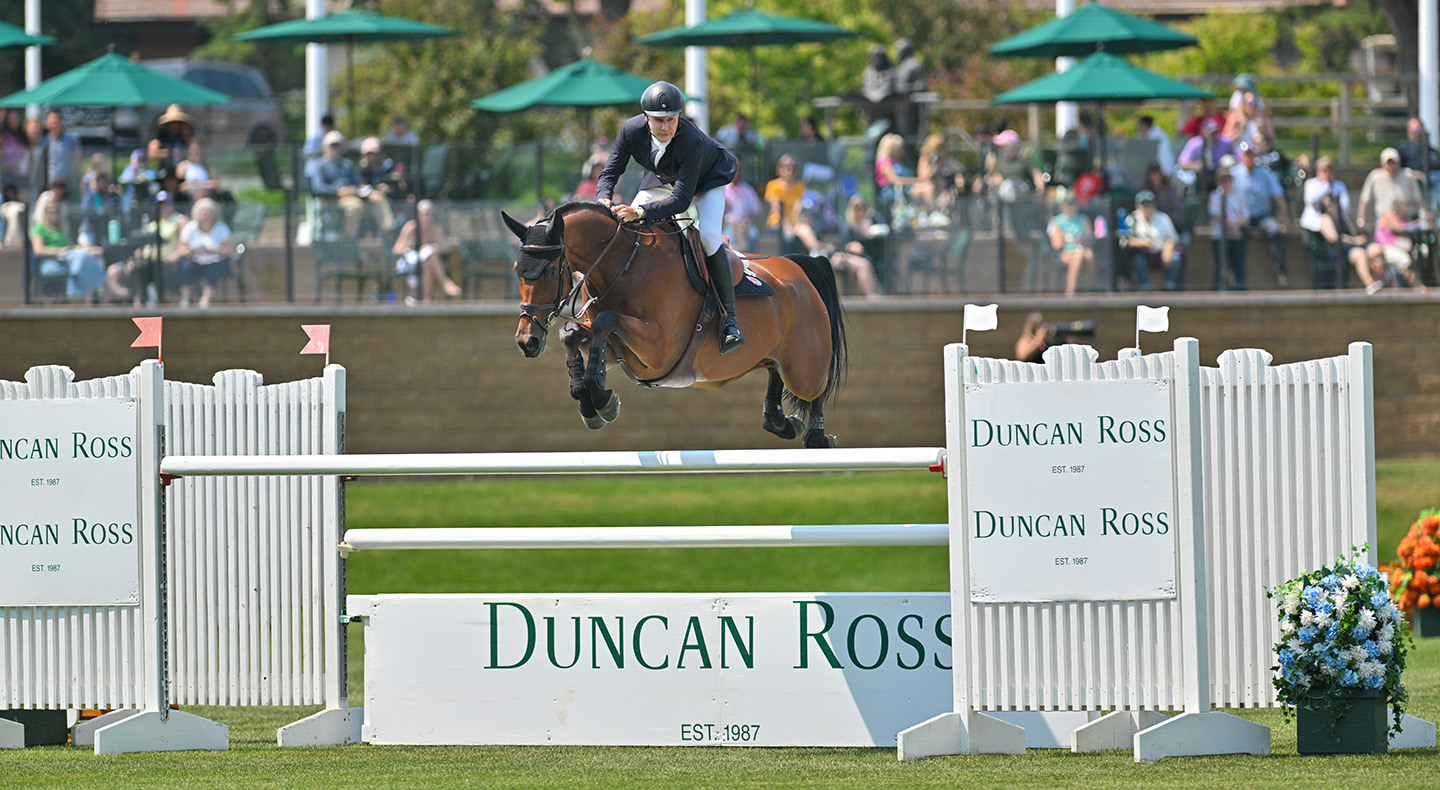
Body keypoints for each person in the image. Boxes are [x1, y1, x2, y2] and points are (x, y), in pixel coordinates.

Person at [595, 82, 743, 353]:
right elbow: (609, 173)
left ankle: (729, 320)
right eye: (659, 121)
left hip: (707, 182)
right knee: (631, 226)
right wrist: (603, 197)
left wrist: (639, 210)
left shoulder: (691, 140)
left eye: (672, 120)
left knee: (709, 237)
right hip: (665, 179)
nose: (666, 127)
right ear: (646, 118)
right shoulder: (630, 129)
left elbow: (681, 201)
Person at [1299, 156, 1367, 290]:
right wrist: (1326, 186)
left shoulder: (1339, 185)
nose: (1327, 173)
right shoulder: (1312, 184)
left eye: (1330, 169)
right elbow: (1311, 200)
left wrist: (1330, 202)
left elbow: (1344, 207)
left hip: (1339, 227)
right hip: (1318, 234)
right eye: (1324, 170)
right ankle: (1353, 242)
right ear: (1318, 171)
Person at [1230, 142, 1290, 285]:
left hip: (1263, 215)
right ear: (1241, 156)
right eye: (1246, 154)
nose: (1249, 157)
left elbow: (1279, 197)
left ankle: (1280, 271)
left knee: (1275, 230)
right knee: (1236, 234)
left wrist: (1285, 220)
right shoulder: (1234, 174)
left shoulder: (1266, 173)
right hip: (1242, 216)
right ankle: (1234, 274)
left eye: (1252, 154)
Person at [29, 196, 106, 302]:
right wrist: (59, 252)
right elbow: (38, 250)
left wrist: (89, 250)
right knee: (80, 263)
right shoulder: (40, 228)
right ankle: (90, 296)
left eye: (55, 211)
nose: (53, 214)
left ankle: (83, 299)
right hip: (51, 262)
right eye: (50, 211)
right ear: (45, 213)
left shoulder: (62, 229)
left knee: (87, 259)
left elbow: (71, 248)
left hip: (67, 260)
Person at [122, 189, 188, 307]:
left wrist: (176, 255)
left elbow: (186, 245)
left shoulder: (180, 220)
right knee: (138, 266)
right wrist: (133, 258)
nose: (163, 208)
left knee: (153, 269)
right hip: (150, 260)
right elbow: (144, 245)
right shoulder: (153, 224)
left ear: (171, 205)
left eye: (166, 204)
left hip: (168, 263)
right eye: (159, 205)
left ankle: (155, 299)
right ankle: (142, 300)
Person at [391, 199, 462, 304]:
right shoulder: (411, 227)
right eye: (425, 214)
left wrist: (433, 247)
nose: (427, 217)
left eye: (430, 214)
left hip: (425, 261)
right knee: (429, 258)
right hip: (409, 262)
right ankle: (445, 283)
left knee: (429, 259)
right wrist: (409, 245)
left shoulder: (435, 229)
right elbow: (396, 250)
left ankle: (426, 299)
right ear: (418, 215)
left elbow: (445, 247)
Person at [176, 196, 235, 308]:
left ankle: (205, 299)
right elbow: (181, 248)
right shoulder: (190, 228)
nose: (204, 214)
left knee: (215, 268)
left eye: (207, 211)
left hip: (215, 260)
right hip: (195, 259)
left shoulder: (221, 228)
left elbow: (231, 249)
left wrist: (216, 249)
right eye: (202, 211)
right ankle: (185, 299)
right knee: (186, 267)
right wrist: (189, 251)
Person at [306, 130, 365, 237]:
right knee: (355, 207)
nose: (335, 149)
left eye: (338, 146)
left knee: (375, 201)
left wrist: (357, 190)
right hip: (331, 200)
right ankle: (348, 238)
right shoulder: (319, 166)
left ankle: (385, 234)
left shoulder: (347, 164)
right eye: (332, 146)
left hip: (352, 196)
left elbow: (357, 182)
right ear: (325, 147)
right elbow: (318, 188)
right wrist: (337, 191)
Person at [1123, 189, 1185, 291]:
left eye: (1150, 204)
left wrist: (1167, 251)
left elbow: (1172, 238)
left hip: (1160, 251)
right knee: (1137, 260)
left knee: (1175, 257)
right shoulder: (1132, 219)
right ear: (1138, 206)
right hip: (1143, 253)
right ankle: (1145, 286)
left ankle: (1169, 286)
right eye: (1144, 205)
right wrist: (1144, 243)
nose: (1148, 208)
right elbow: (1127, 241)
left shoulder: (1163, 218)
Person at [1361, 194, 1423, 293]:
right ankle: (1417, 286)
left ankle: (1417, 285)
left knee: (1421, 251)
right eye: (1406, 206)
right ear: (1398, 206)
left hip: (1396, 248)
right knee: (1404, 260)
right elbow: (1399, 227)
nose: (1408, 209)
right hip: (1384, 248)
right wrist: (1420, 224)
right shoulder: (1388, 215)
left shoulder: (1402, 217)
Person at [1356, 147, 1424, 232]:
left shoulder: (1407, 175)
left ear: (1398, 163)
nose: (1391, 165)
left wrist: (1422, 217)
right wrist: (1361, 220)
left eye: (1393, 162)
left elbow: (1418, 198)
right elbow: (1364, 199)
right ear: (1382, 163)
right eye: (1388, 163)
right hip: (1383, 221)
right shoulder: (1375, 176)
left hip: (1405, 221)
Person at [1208, 162, 1250, 290]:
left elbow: (1246, 215)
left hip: (1237, 236)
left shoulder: (1239, 196)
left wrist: (1237, 226)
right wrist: (1229, 226)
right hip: (1221, 237)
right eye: (1223, 179)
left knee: (1239, 267)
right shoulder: (1215, 196)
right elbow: (1216, 215)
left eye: (1228, 179)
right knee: (1221, 267)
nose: (1226, 182)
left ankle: (1241, 292)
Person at [1046, 192, 1095, 297]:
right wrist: (1064, 238)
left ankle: (1090, 290)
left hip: (1081, 249)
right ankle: (1070, 291)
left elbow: (1090, 240)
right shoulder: (1056, 221)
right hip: (1064, 254)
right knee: (1078, 254)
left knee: (1089, 254)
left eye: (1073, 204)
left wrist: (1079, 240)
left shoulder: (1083, 219)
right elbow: (1056, 245)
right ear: (1062, 206)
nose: (1071, 207)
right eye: (1068, 204)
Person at [1176, 117, 1237, 196]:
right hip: (1200, 178)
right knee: (1189, 178)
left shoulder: (1225, 142)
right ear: (1203, 132)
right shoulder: (1195, 143)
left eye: (1215, 132)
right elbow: (1182, 163)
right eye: (1210, 132)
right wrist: (1196, 165)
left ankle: (1228, 199)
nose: (1212, 135)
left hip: (1219, 176)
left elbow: (1237, 158)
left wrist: (1228, 162)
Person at [355, 137, 399, 238]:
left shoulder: (388, 167)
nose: (371, 156)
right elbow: (361, 186)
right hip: (368, 200)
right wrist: (374, 188)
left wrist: (388, 188)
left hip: (390, 200)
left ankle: (386, 233)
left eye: (374, 153)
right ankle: (388, 226)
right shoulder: (363, 169)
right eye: (369, 154)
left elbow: (396, 187)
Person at [1396, 117, 1440, 211]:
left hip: (1434, 182)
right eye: (1414, 130)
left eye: (1419, 129)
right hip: (1413, 183)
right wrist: (1412, 173)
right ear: (1408, 131)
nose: (1417, 133)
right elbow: (1394, 167)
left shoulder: (1431, 150)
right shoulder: (1402, 149)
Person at [764, 154, 807, 242]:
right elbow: (777, 208)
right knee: (786, 237)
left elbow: (798, 208)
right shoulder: (773, 186)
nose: (789, 171)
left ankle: (820, 249)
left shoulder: (800, 187)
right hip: (777, 223)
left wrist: (793, 224)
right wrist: (787, 226)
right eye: (786, 167)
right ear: (780, 169)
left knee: (805, 230)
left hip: (795, 223)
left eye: (792, 168)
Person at [39, 108, 82, 195]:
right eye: (52, 119)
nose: (55, 121)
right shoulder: (44, 140)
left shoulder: (72, 138)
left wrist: (76, 176)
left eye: (57, 119)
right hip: (51, 181)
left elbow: (77, 158)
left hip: (69, 180)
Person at [874, 133, 921, 213]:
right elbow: (894, 180)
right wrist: (916, 180)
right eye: (900, 149)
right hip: (890, 191)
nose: (902, 152)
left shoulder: (897, 162)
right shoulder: (884, 161)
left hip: (902, 189)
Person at [723, 165, 764, 252]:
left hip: (746, 223)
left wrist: (746, 223)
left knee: (753, 234)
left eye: (737, 170)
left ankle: (750, 260)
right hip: (728, 224)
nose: (735, 173)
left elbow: (756, 210)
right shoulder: (723, 190)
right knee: (728, 238)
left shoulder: (748, 190)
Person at [147, 104, 195, 172]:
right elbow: (152, 153)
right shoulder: (161, 136)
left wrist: (186, 134)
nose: (175, 126)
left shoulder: (185, 137)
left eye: (178, 123)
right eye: (172, 123)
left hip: (182, 169)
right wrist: (170, 153)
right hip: (164, 169)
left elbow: (195, 150)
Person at [1, 109, 30, 193]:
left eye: (16, 118)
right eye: (10, 118)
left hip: (22, 174)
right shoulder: (3, 135)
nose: (13, 121)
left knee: (23, 200)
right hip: (7, 174)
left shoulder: (23, 135)